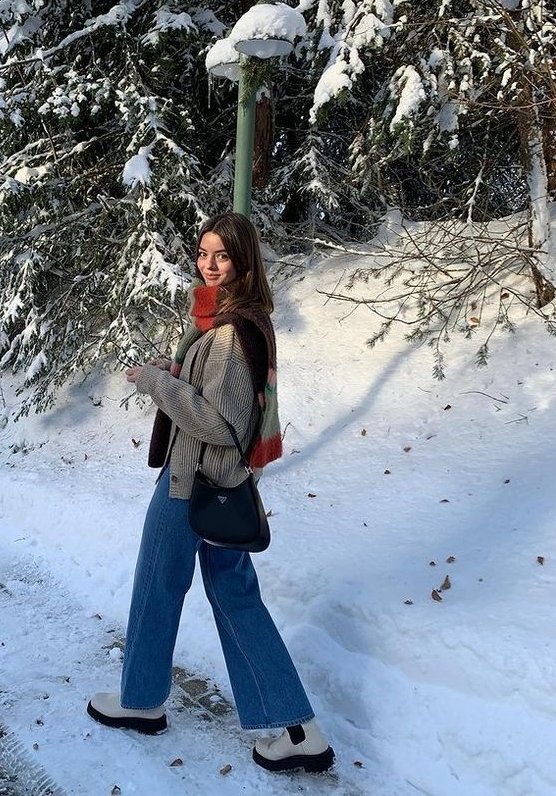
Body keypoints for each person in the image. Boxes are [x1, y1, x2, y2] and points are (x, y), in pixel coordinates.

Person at [87, 212, 335, 774]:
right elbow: (222, 402)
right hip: (226, 485)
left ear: (243, 261)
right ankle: (300, 729)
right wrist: (173, 375)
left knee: (156, 586)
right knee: (236, 598)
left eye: (221, 255)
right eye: (203, 253)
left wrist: (157, 383)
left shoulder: (227, 334)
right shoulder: (233, 322)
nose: (209, 263)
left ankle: (140, 702)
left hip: (191, 484)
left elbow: (218, 423)